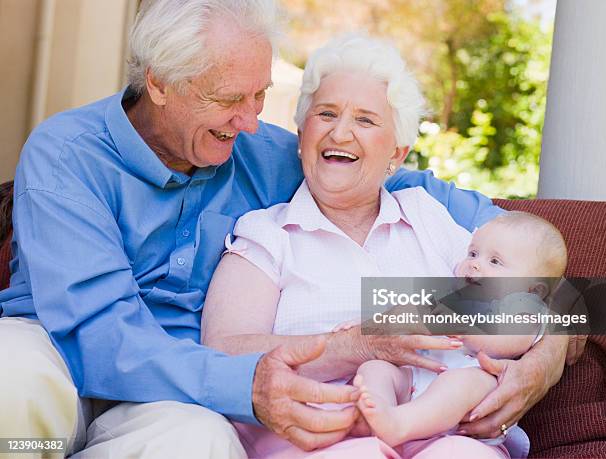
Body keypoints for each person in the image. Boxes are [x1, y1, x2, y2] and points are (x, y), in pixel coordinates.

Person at [0, 1, 518, 457]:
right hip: (60, 364)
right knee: (12, 389)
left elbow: (388, 175)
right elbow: (99, 335)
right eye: (230, 99)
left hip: (170, 399)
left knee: (197, 443)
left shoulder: (264, 153)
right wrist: (250, 383)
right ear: (158, 82)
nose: (250, 122)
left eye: (260, 96)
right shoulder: (66, 155)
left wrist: (551, 347)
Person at [201, 34, 572, 458]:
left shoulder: (428, 215)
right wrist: (356, 344)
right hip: (319, 435)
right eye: (326, 114)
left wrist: (544, 358)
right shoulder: (267, 234)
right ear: (302, 135)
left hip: (445, 430)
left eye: (365, 120)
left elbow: (540, 287)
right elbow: (223, 353)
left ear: (397, 153)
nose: (340, 132)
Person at [352, 211, 568, 453]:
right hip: (419, 381)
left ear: (533, 289)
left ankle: (398, 425)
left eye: (495, 261)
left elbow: (510, 341)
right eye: (473, 253)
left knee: (463, 382)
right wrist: (367, 324)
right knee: (376, 370)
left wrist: (469, 331)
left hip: (470, 396)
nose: (474, 263)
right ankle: (377, 414)